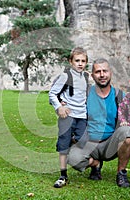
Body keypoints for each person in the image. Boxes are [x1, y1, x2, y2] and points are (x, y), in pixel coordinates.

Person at [67, 58, 130, 188]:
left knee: (128, 133)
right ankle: (95, 163)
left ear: (110, 73)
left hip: (110, 143)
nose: (102, 75)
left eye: (105, 71)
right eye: (98, 72)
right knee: (70, 157)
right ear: (92, 75)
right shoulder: (84, 94)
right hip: (87, 143)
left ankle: (121, 173)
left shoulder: (120, 96)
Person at [49, 47, 89, 188]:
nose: (80, 64)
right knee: (63, 146)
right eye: (77, 60)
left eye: (83, 61)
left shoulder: (86, 77)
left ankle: (92, 163)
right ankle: (63, 175)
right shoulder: (65, 76)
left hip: (82, 116)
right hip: (68, 116)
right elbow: (52, 94)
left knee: (83, 141)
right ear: (70, 61)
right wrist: (59, 107)